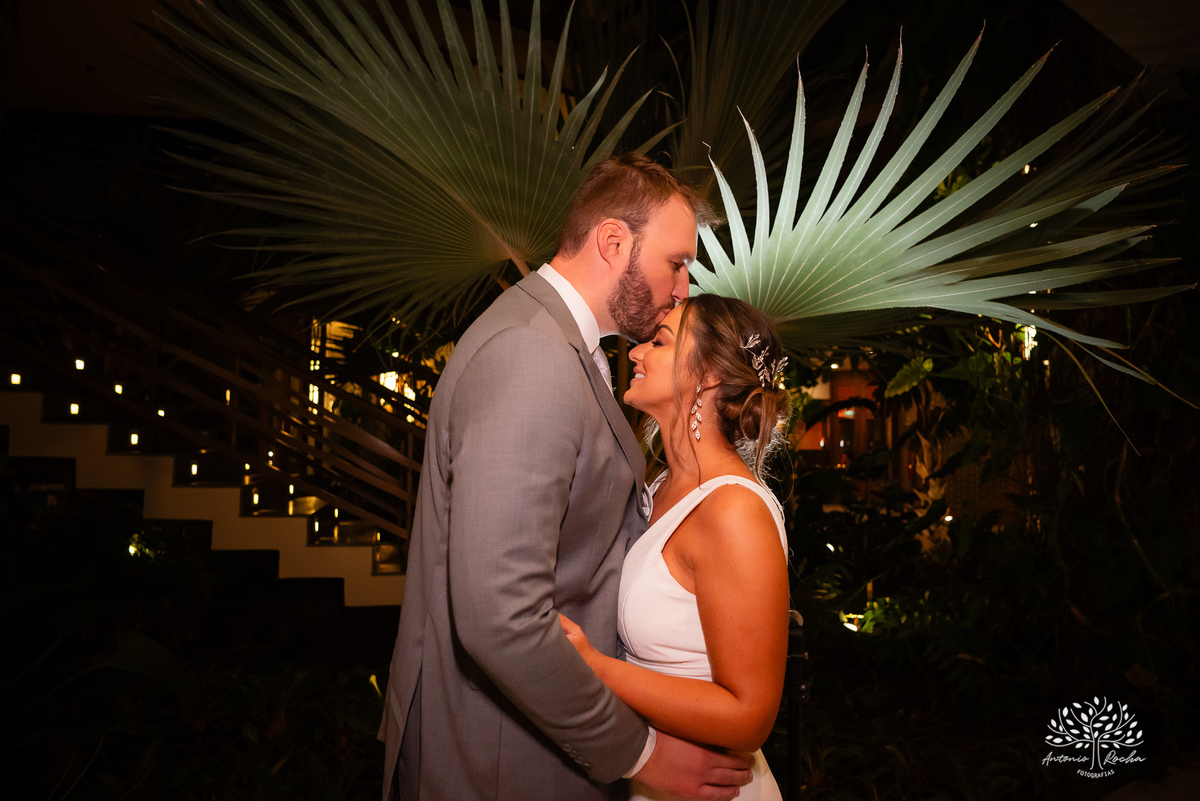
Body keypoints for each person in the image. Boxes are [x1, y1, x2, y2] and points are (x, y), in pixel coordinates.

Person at [379, 155, 756, 801]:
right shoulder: (532, 354)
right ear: (613, 242)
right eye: (676, 262)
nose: (682, 290)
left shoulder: (562, 348)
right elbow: (503, 617)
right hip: (497, 757)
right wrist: (637, 752)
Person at [559, 294, 794, 801]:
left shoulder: (733, 510)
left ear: (706, 375)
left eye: (660, 341)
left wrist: (597, 669)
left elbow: (748, 716)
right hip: (655, 778)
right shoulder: (660, 484)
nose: (637, 353)